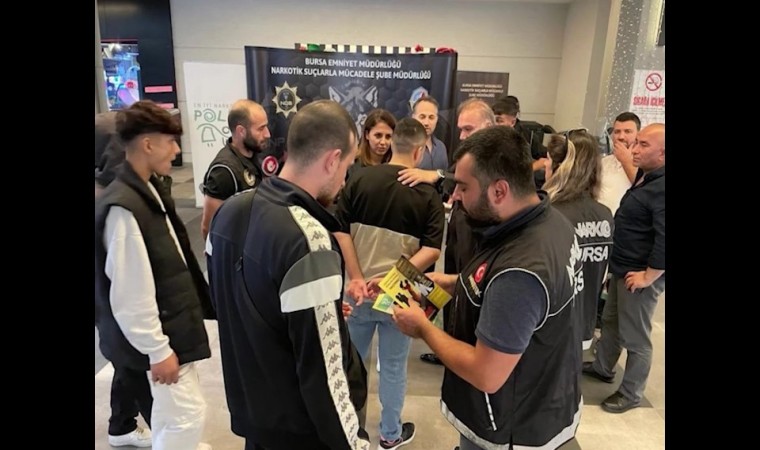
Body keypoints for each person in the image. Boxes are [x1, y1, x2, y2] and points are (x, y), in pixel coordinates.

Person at [393, 125, 583, 450]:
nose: (455, 196)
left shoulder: (520, 272)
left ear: (499, 191)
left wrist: (423, 328)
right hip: (547, 400)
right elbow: (521, 303)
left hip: (510, 427)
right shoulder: (552, 223)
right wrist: (455, 283)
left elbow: (486, 374)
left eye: (464, 187)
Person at [205, 100, 370, 450]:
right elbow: (325, 374)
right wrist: (356, 444)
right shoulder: (310, 240)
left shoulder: (229, 211)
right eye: (348, 166)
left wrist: (316, 313)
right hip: (302, 431)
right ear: (332, 160)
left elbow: (229, 300)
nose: (345, 179)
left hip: (255, 418)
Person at [95, 100, 215, 450]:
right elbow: (130, 293)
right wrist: (158, 350)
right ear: (148, 144)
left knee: (170, 415)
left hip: (172, 324)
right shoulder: (124, 207)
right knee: (186, 416)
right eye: (171, 141)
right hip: (160, 335)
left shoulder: (148, 189)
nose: (177, 151)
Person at [334, 118, 445, 449]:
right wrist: (394, 277)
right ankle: (390, 433)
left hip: (356, 292)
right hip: (400, 297)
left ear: (393, 143)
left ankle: (350, 430)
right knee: (394, 368)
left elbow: (340, 231)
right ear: (420, 151)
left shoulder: (359, 178)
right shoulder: (428, 194)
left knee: (352, 363)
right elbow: (432, 250)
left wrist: (356, 277)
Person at [582, 123, 665, 414]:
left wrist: (648, 277)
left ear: (663, 153)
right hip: (623, 267)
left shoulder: (662, 187)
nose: (633, 148)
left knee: (635, 337)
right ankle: (603, 367)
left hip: (639, 274)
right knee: (611, 322)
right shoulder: (646, 176)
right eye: (635, 142)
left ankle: (631, 393)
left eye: (642, 144)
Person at [95, 111, 153, 448]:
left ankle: (121, 425)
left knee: (124, 355)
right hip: (110, 294)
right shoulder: (113, 198)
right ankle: (166, 432)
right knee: (130, 356)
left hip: (110, 293)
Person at [543, 129, 614, 352]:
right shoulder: (605, 215)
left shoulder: (550, 214)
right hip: (584, 325)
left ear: (558, 166)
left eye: (547, 160)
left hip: (550, 328)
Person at [200, 99, 271, 240]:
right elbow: (208, 228)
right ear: (241, 131)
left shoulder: (252, 153)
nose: (267, 134)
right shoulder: (223, 171)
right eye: (260, 129)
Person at [598, 112, 640, 215]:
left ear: (638, 135)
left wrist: (626, 160)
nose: (621, 137)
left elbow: (643, 187)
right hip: (601, 219)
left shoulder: (645, 164)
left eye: (627, 131)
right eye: (617, 132)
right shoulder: (603, 162)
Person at [346, 108, 396, 180]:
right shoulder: (351, 166)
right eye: (378, 135)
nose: (383, 142)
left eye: (388, 137)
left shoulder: (396, 166)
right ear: (367, 135)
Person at [411, 96, 449, 172]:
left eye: (431, 117)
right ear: (413, 117)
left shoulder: (441, 147)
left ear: (437, 119)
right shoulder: (406, 147)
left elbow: (445, 175)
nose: (426, 123)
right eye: (422, 117)